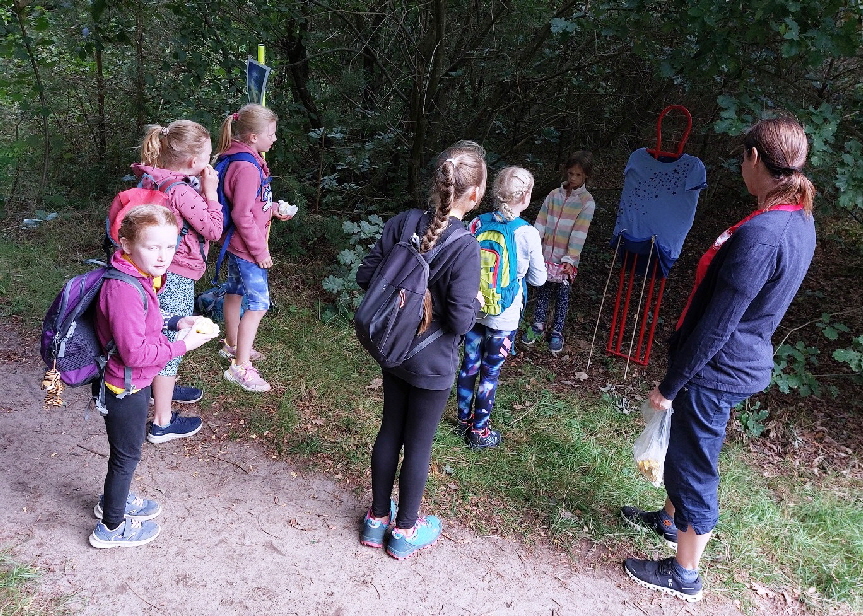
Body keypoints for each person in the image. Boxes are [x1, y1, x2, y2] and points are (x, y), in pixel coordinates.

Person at [621, 116, 817, 602]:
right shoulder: (797, 218)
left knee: (694, 462)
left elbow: (719, 324)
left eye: (742, 157)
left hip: (718, 367)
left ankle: (685, 572)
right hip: (736, 359)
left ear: (754, 158)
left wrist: (671, 385)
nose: (740, 166)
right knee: (689, 447)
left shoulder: (765, 234)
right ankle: (671, 520)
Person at [356, 144, 485, 559]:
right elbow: (463, 322)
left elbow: (365, 275)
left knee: (390, 430)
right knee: (419, 443)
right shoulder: (465, 246)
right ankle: (405, 529)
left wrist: (406, 299)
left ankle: (376, 520)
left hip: (392, 351)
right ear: (476, 195)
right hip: (432, 363)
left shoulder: (403, 222)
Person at [90, 204, 219, 548]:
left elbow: (146, 320)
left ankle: (111, 503)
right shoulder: (124, 288)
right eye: (152, 247)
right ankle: (111, 528)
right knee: (126, 456)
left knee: (125, 454)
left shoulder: (138, 275)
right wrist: (183, 345)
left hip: (134, 381)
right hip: (124, 385)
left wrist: (178, 323)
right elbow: (134, 352)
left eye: (170, 246)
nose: (163, 256)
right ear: (126, 244)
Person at [133, 120, 224, 444]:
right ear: (191, 161)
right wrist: (212, 194)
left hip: (155, 268)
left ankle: (164, 390)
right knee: (170, 340)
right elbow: (213, 228)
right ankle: (162, 420)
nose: (210, 161)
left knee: (161, 330)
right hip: (177, 272)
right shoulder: (181, 190)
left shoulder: (156, 177)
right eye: (208, 155)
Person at [455, 166, 546, 449]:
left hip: (473, 308)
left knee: (469, 366)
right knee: (490, 373)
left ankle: (461, 421)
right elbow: (539, 278)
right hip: (504, 316)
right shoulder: (527, 233)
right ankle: (479, 431)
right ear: (526, 197)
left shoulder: (476, 224)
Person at [215, 104, 292, 392]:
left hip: (235, 244)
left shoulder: (244, 158)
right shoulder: (246, 167)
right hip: (247, 247)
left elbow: (248, 205)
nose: (274, 139)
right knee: (258, 304)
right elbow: (241, 215)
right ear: (251, 137)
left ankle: (232, 345)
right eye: (270, 134)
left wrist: (271, 209)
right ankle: (240, 367)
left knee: (234, 291)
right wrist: (260, 252)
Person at [521, 151, 595, 355]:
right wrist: (534, 245)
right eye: (570, 173)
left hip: (566, 259)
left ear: (585, 176)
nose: (573, 178)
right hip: (545, 255)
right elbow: (542, 221)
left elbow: (580, 232)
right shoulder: (554, 195)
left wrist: (570, 258)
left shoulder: (586, 202)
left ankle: (557, 331)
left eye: (578, 175)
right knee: (543, 290)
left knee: (562, 295)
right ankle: (537, 325)